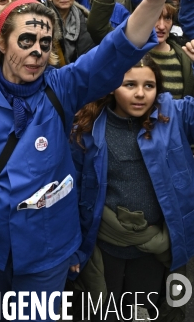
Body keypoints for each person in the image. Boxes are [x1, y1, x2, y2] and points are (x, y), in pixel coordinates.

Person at [0, 0, 173, 320]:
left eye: (45, 43)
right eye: (26, 39)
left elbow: (113, 53)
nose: (37, 51)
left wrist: (154, 1)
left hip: (48, 252)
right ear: (0, 42)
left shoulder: (61, 87)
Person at [70, 52, 194, 320]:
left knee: (144, 312)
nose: (140, 94)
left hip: (153, 248)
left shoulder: (170, 113)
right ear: (112, 87)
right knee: (105, 312)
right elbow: (73, 190)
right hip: (104, 247)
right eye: (130, 85)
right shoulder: (89, 126)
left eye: (149, 86)